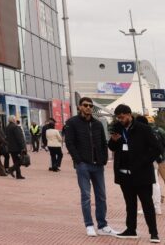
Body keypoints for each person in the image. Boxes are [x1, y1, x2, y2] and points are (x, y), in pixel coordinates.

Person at [64, 96, 118, 237]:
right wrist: (78, 160)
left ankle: (102, 226)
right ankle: (89, 225)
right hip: (83, 165)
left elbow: (103, 143)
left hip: (98, 165)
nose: (88, 107)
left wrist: (104, 159)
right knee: (86, 196)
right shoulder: (72, 123)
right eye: (85, 105)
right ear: (79, 107)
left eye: (90, 105)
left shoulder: (98, 124)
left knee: (101, 196)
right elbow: (69, 143)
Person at [107, 104, 160, 241]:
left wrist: (143, 162)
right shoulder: (117, 128)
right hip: (124, 174)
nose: (120, 120)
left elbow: (156, 148)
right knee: (130, 204)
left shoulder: (143, 129)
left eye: (122, 117)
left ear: (129, 115)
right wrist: (113, 140)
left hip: (142, 174)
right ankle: (131, 230)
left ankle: (154, 233)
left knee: (147, 204)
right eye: (118, 118)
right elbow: (112, 147)